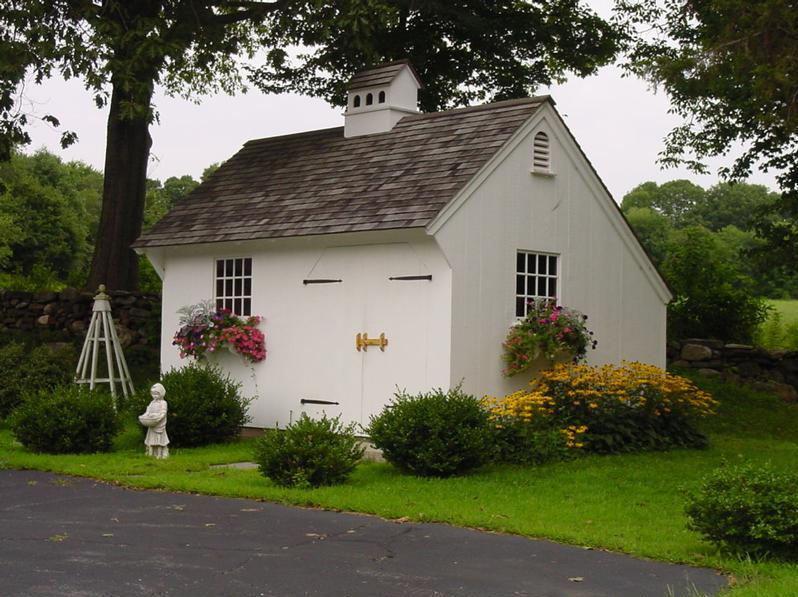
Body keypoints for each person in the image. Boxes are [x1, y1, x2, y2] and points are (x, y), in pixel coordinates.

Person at [139, 383, 169, 459]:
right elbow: (148, 412)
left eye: (156, 394)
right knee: (151, 440)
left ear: (161, 393)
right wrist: (144, 416)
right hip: (152, 424)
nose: (154, 396)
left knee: (159, 441)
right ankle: (151, 453)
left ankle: (160, 454)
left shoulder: (163, 403)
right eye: (153, 394)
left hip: (159, 425)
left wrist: (159, 417)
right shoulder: (152, 403)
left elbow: (163, 412)